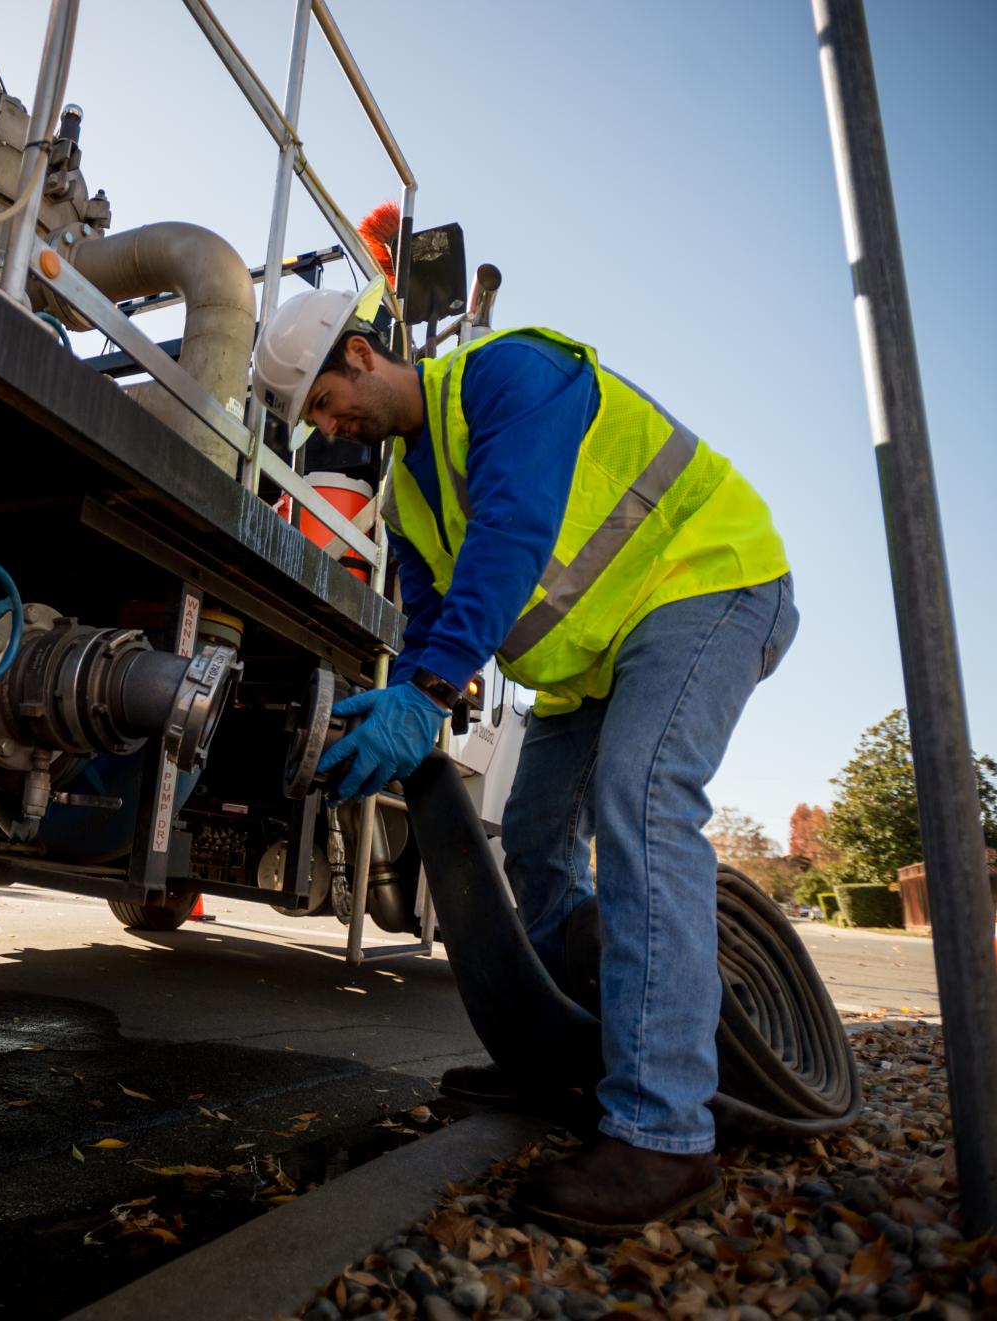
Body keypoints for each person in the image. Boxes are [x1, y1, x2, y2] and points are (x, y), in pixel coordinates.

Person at [251, 286, 796, 1236]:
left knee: (643, 800)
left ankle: (665, 1133)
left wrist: (423, 696)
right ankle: (563, 1056)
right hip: (596, 664)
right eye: (315, 423)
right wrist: (412, 697)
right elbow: (426, 619)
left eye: (328, 404)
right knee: (538, 841)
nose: (331, 425)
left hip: (709, 580)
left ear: (359, 356)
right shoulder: (408, 492)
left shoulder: (511, 374)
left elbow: (513, 535)